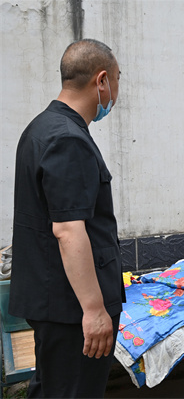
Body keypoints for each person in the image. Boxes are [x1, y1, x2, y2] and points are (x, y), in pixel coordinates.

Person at [10, 39, 125, 398]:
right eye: (117, 79)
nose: (117, 89)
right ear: (101, 81)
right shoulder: (68, 139)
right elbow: (69, 230)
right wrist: (94, 310)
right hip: (71, 309)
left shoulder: (41, 128)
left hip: (53, 300)